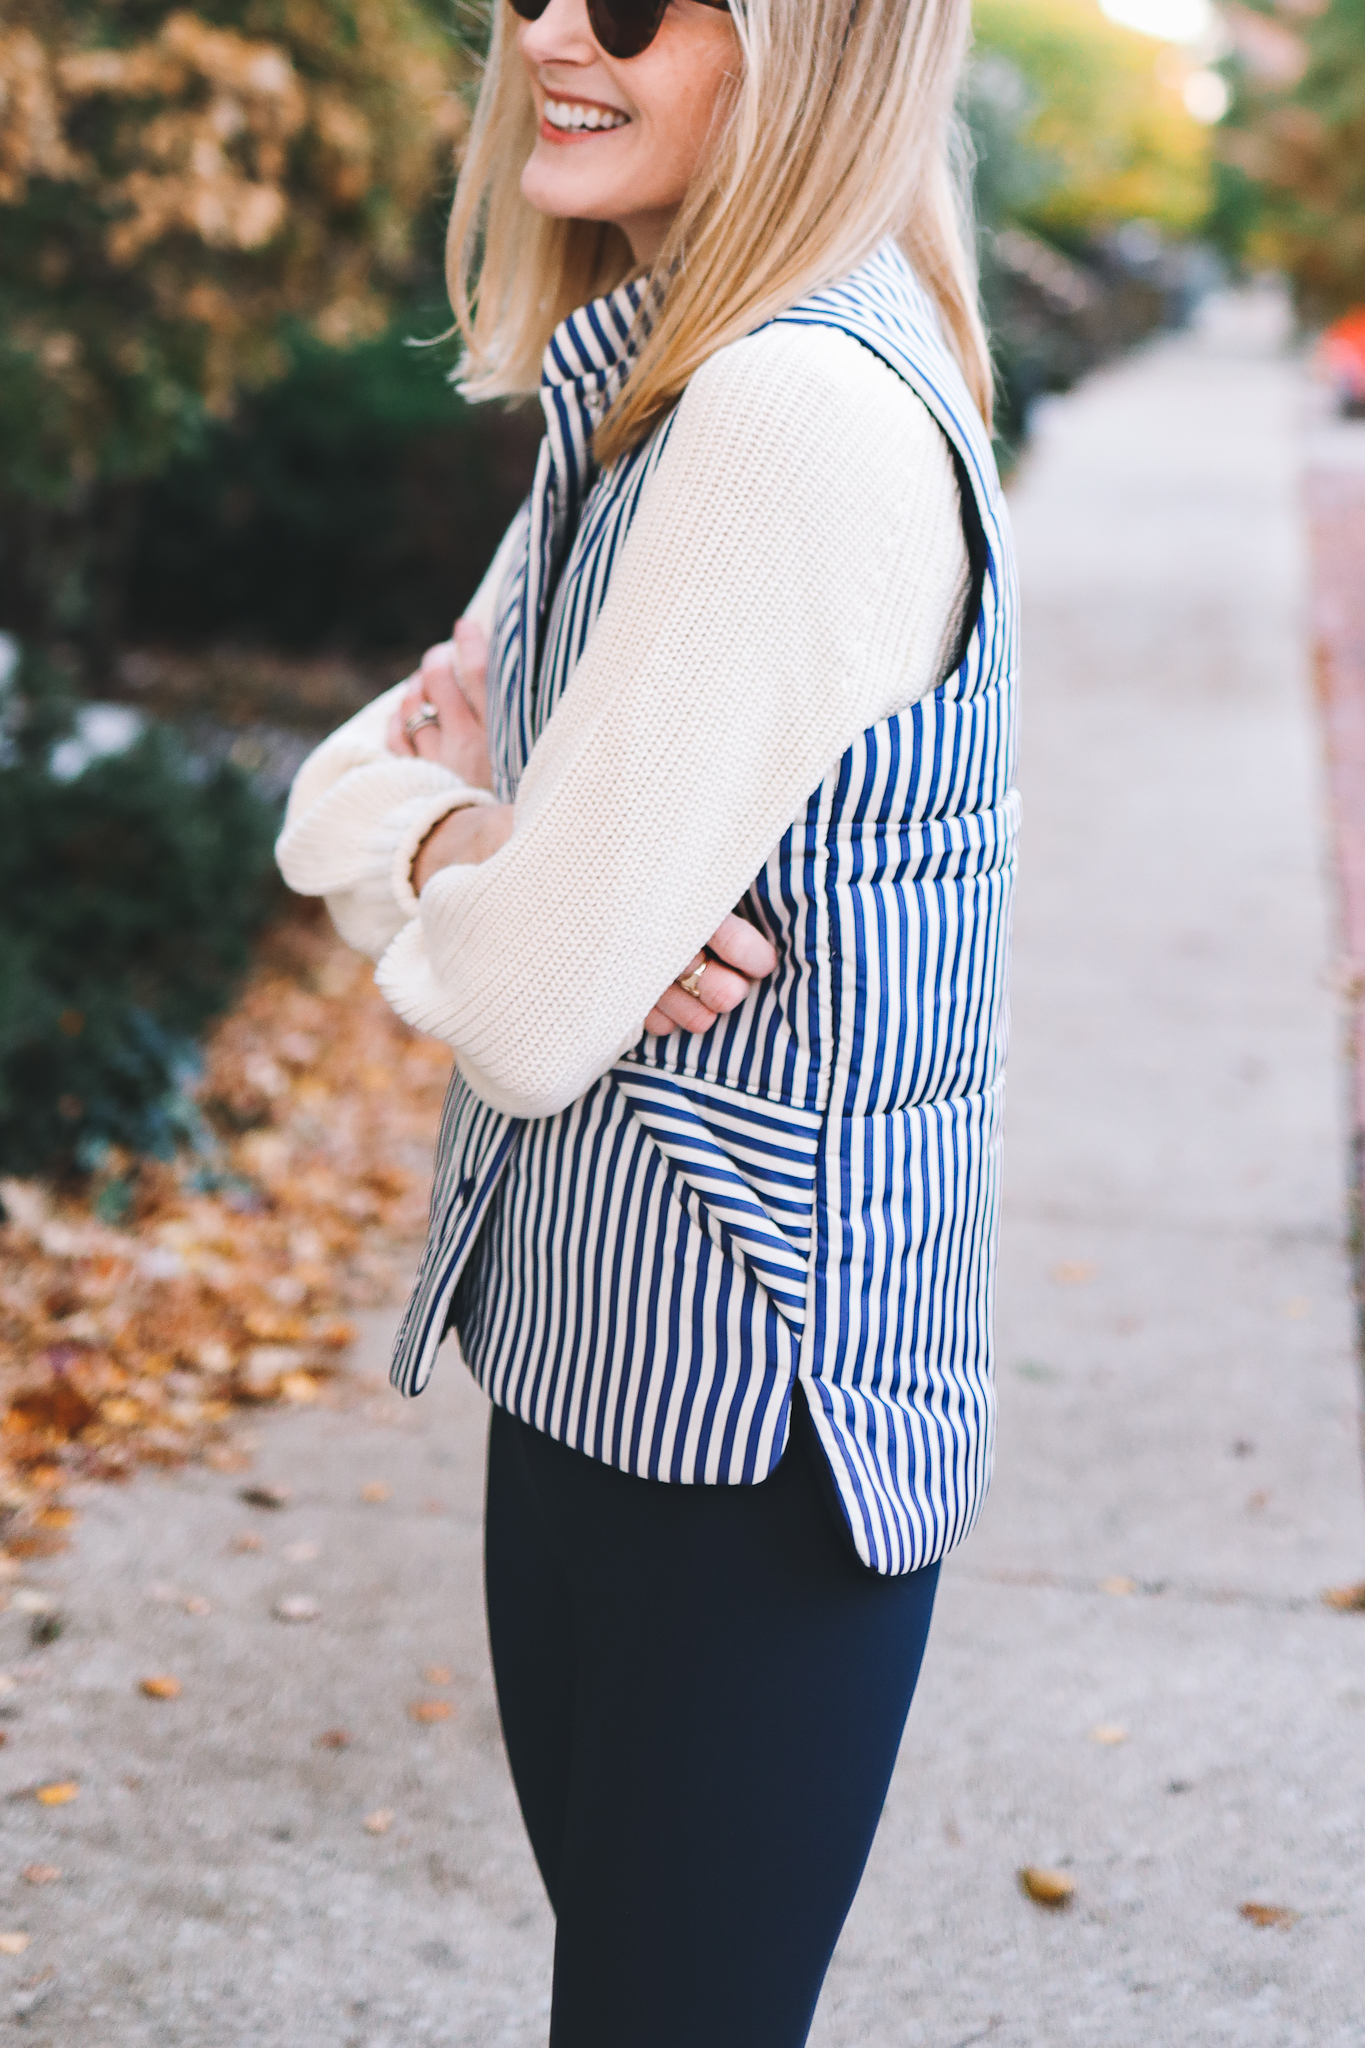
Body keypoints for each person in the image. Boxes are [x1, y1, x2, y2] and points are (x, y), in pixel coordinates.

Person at [277, 0, 1019, 2039]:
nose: (544, 27)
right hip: (590, 1380)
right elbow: (334, 791)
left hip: (743, 1451)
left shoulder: (794, 418)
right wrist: (481, 840)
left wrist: (485, 877)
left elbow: (520, 1006)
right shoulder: (662, 392)